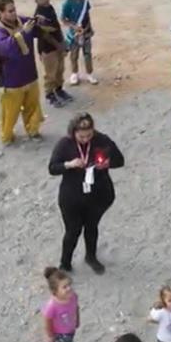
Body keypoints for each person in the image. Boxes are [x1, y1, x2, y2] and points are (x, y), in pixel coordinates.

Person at [48, 112, 125, 274]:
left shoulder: (102, 140)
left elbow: (120, 160)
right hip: (71, 197)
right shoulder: (65, 144)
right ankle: (65, 262)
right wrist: (68, 164)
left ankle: (91, 257)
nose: (85, 139)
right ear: (73, 132)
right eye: (81, 137)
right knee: (72, 230)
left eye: (89, 135)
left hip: (98, 194)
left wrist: (107, 164)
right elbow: (52, 168)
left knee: (91, 227)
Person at [0, 0, 45, 145]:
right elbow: (7, 49)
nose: (14, 13)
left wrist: (38, 21)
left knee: (33, 107)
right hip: (12, 81)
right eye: (10, 11)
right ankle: (6, 137)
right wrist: (24, 33)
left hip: (29, 74)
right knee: (10, 113)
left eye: (14, 10)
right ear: (0, 13)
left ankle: (33, 130)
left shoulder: (21, 21)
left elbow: (34, 27)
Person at [41, 266, 85, 342]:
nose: (69, 288)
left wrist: (77, 319)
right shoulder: (52, 306)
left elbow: (76, 307)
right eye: (64, 287)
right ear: (55, 291)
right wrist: (50, 335)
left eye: (69, 284)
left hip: (70, 329)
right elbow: (47, 321)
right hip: (60, 333)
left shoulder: (73, 296)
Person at [33, 0, 72, 108]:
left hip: (58, 45)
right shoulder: (39, 16)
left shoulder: (49, 8)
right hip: (48, 48)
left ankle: (59, 89)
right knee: (51, 73)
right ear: (36, 0)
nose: (45, 0)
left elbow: (57, 27)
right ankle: (50, 94)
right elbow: (45, 35)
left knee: (60, 70)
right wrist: (58, 45)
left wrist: (63, 42)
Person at [60, 0, 98, 85]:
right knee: (74, 55)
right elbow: (63, 19)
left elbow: (87, 15)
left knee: (87, 53)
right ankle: (74, 73)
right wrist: (74, 27)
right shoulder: (67, 4)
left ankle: (89, 73)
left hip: (86, 32)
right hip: (74, 34)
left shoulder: (85, 1)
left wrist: (90, 29)